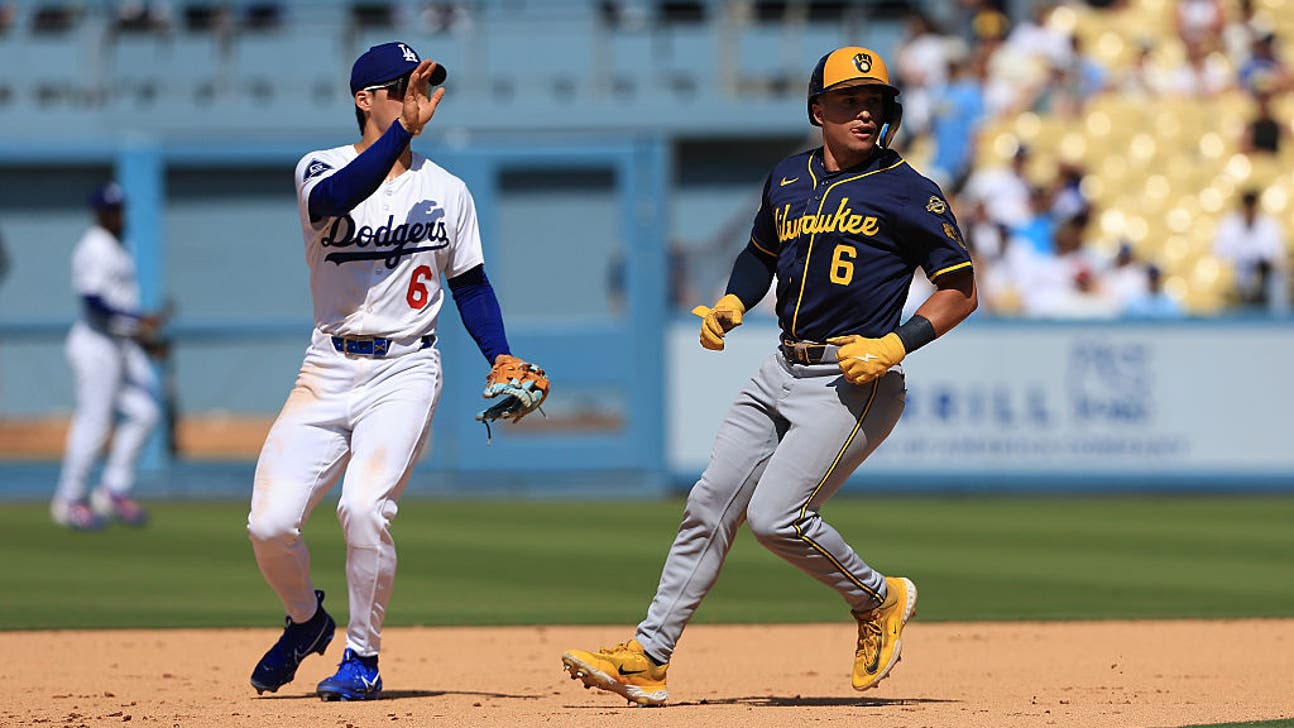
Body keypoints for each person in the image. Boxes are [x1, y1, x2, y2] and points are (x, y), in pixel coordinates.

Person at [561, 46, 977, 706]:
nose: (866, 112)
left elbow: (958, 289)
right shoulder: (788, 177)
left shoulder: (909, 192)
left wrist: (897, 344)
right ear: (818, 110)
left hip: (853, 377)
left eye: (875, 102)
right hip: (781, 364)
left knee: (778, 518)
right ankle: (649, 655)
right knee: (708, 504)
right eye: (849, 101)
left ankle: (879, 598)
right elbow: (759, 254)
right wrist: (733, 300)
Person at [245, 41, 548, 702]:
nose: (417, 97)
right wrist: (403, 132)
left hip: (405, 371)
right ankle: (306, 622)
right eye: (401, 87)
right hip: (326, 367)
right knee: (269, 526)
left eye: (426, 85)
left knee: (363, 507)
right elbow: (338, 197)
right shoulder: (319, 167)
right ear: (364, 99)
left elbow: (468, 285)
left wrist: (497, 351)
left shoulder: (446, 190)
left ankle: (362, 658)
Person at [51, 182, 161, 531]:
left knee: (145, 412)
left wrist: (143, 338)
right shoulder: (93, 247)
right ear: (98, 213)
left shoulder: (118, 247)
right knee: (94, 422)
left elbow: (120, 308)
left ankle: (112, 489)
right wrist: (136, 321)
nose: (118, 215)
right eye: (111, 209)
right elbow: (93, 303)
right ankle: (69, 499)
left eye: (120, 209)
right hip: (95, 344)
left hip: (118, 345)